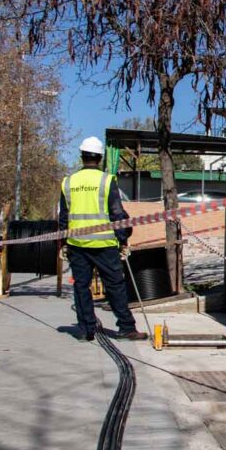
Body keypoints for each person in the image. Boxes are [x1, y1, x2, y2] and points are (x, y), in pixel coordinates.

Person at [59, 136, 148, 341]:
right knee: (115, 286)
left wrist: (63, 243)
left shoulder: (68, 182)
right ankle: (126, 327)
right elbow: (117, 213)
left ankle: (85, 330)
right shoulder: (107, 181)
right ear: (100, 158)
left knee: (81, 286)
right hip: (105, 244)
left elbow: (63, 217)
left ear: (82, 156)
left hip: (77, 244)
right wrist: (123, 238)